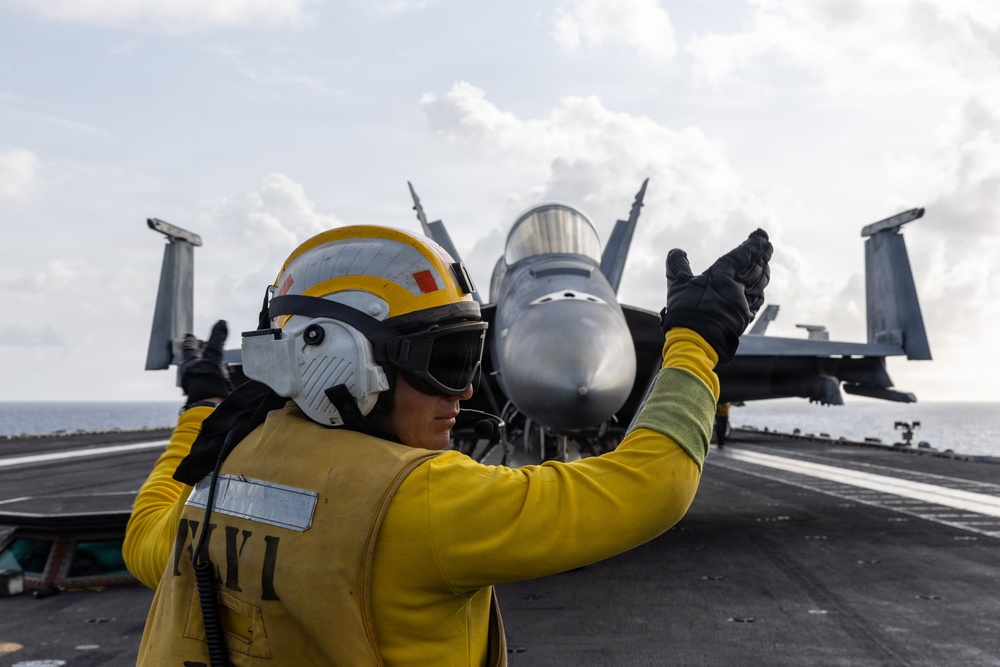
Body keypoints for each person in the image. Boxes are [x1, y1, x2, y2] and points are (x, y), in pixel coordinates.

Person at [124, 223, 771, 666]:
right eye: (446, 360)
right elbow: (652, 484)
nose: (462, 395)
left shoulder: (215, 479)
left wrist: (203, 408)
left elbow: (145, 537)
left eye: (471, 360)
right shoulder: (419, 501)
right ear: (344, 361)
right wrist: (698, 342)